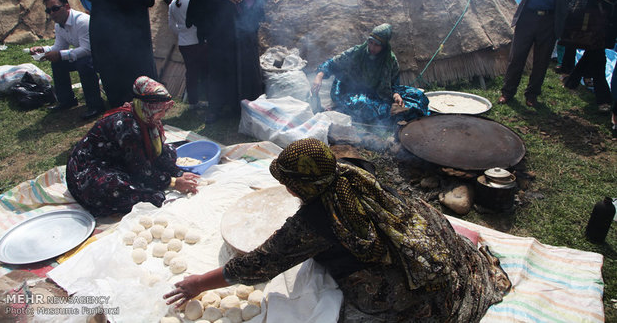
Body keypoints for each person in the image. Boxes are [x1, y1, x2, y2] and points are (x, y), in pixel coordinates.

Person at [165, 138, 511, 322]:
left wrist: (197, 283)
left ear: (302, 186)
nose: (286, 189)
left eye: (288, 183)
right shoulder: (349, 173)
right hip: (437, 259)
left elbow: (258, 265)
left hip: (419, 295)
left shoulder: (317, 222)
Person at [66, 76, 199, 217]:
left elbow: (157, 152)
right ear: (146, 107)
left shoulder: (144, 115)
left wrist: (178, 172)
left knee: (168, 153)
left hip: (118, 158)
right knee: (116, 189)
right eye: (159, 111)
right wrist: (172, 182)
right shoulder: (127, 127)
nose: (162, 115)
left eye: (164, 110)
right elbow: (141, 169)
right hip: (89, 168)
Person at [186, 0, 265, 123]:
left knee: (245, 66)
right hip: (221, 28)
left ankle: (246, 106)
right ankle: (217, 108)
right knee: (220, 67)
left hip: (244, 26)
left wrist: (252, 7)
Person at [84, 0, 168, 109]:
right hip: (125, 38)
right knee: (133, 84)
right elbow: (140, 0)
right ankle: (137, 116)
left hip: (102, 33)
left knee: (113, 82)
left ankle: (118, 113)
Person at [311, 23, 429, 122]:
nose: (372, 47)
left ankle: (391, 112)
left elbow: (393, 85)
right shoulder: (356, 52)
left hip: (377, 92)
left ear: (384, 46)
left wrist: (396, 95)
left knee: (418, 97)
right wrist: (319, 76)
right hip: (349, 89)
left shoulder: (390, 61)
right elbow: (332, 63)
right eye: (370, 42)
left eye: (377, 45)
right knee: (364, 104)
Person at [563, 0, 617, 112]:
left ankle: (573, 78)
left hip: (613, 20)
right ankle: (604, 98)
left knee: (594, 53)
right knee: (599, 56)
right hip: (597, 18)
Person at [30, 0, 104, 119]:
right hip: (89, 54)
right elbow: (59, 46)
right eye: (49, 10)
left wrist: (59, 54)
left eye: (55, 9)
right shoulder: (59, 24)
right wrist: (43, 49)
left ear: (67, 6)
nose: (52, 13)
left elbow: (87, 50)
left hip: (104, 56)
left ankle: (95, 105)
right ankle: (66, 100)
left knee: (84, 63)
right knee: (58, 63)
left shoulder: (81, 21)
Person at [168, 0, 207, 110]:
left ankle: (193, 102)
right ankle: (208, 99)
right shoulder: (193, 0)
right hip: (197, 41)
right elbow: (201, 20)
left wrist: (182, 33)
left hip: (184, 43)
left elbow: (172, 25)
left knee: (191, 73)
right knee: (204, 71)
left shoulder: (173, 3)